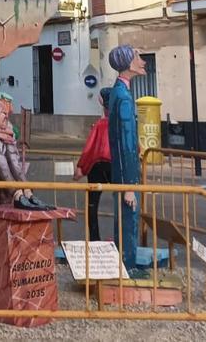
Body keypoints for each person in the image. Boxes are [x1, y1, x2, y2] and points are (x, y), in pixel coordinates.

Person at [0, 90, 51, 210]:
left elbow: (14, 158)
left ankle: (26, 192)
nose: (4, 111)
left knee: (5, 144)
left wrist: (9, 139)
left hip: (0, 188)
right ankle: (17, 193)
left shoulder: (2, 126)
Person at [107, 44, 146, 278]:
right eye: (138, 57)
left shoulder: (118, 92)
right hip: (125, 174)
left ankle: (122, 263)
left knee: (123, 219)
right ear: (128, 64)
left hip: (122, 172)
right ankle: (127, 266)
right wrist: (129, 185)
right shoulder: (123, 96)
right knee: (128, 220)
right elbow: (125, 142)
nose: (143, 61)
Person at [75, 88, 112, 241]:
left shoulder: (99, 125)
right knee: (122, 200)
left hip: (97, 166)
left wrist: (81, 167)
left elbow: (89, 148)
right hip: (115, 165)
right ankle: (120, 236)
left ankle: (94, 239)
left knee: (92, 203)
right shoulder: (120, 125)